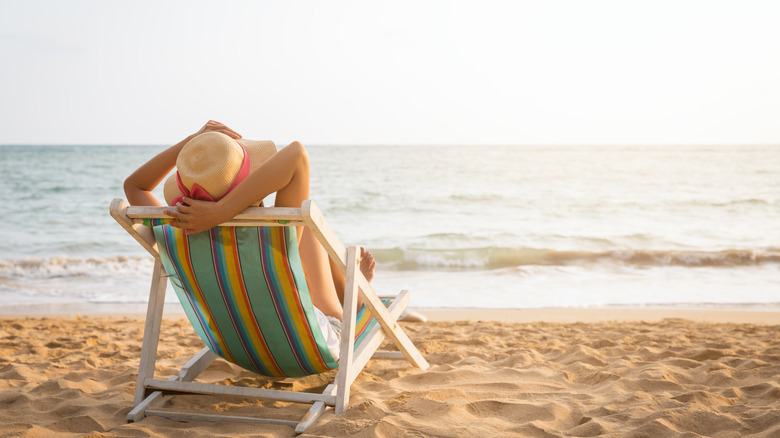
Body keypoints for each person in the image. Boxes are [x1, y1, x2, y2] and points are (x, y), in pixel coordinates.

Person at [124, 120, 376, 357]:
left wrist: (190, 143)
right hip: (308, 347)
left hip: (241, 347)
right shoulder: (272, 235)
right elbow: (297, 154)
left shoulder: (175, 227)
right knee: (307, 224)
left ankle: (349, 287)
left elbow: (134, 186)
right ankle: (353, 298)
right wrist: (221, 211)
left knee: (295, 250)